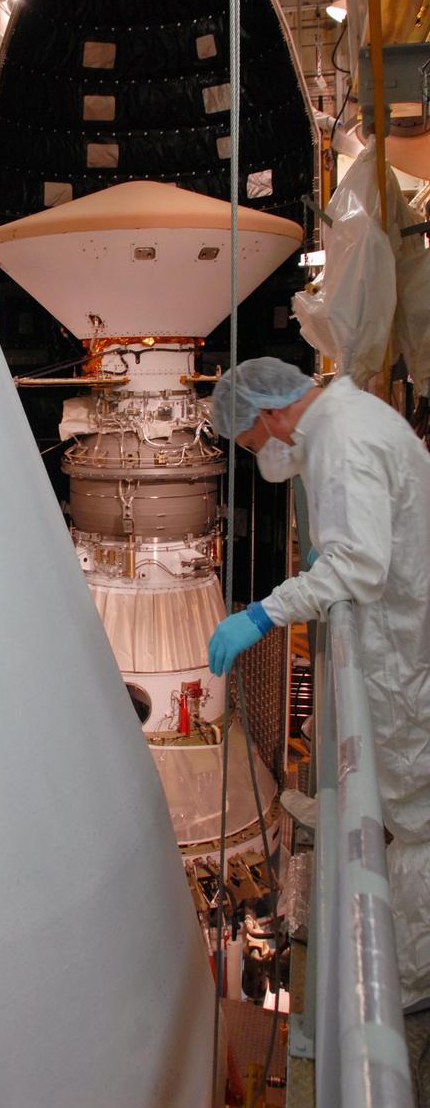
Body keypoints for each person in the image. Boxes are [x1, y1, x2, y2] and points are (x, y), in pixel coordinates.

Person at [207, 356, 430, 1010]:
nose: (264, 455)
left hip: (400, 643)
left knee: (418, 810)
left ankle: (407, 981)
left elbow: (359, 566)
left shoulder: (342, 440)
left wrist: (265, 611)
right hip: (400, 623)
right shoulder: (349, 415)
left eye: (254, 442)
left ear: (271, 414)